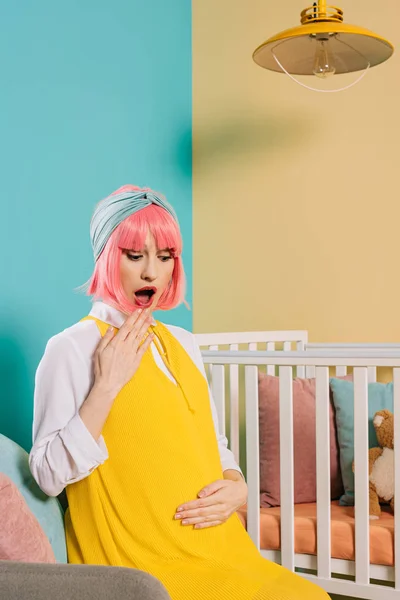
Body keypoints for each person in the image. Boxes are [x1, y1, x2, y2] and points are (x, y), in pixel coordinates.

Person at [29, 185, 329, 600]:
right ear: (105, 258)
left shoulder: (185, 343)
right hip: (139, 563)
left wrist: (237, 485)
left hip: (221, 548)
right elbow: (46, 475)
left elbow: (213, 442)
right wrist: (108, 385)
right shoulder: (71, 348)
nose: (152, 272)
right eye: (135, 256)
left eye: (165, 257)